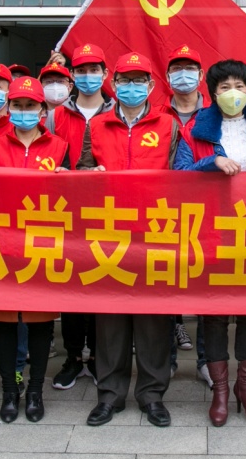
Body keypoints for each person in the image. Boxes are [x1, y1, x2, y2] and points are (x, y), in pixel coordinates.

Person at [78, 52, 182, 427]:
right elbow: (82, 169)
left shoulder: (169, 124)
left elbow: (181, 176)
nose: (132, 86)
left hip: (155, 232)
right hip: (110, 233)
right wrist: (89, 174)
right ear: (114, 83)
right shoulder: (98, 125)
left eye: (139, 80)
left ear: (151, 86)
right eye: (125, 80)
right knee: (110, 320)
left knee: (153, 320)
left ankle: (152, 395)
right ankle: (110, 395)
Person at [174, 59, 246, 426]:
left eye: (240, 86)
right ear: (213, 93)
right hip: (211, 232)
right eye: (225, 87)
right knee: (214, 313)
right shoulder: (195, 129)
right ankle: (219, 391)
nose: (233, 93)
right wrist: (211, 163)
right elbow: (178, 175)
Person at [0, 76, 69, 423]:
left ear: (42, 110)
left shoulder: (59, 146)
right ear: (9, 108)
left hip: (43, 242)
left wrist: (68, 177)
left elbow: (74, 196)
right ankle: (9, 390)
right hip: (3, 244)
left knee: (39, 321)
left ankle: (35, 391)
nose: (23, 111)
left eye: (30, 106)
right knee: (6, 322)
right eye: (17, 106)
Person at [47, 44, 113, 391]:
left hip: (108, 212)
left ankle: (100, 357)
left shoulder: (117, 111)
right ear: (72, 76)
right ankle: (73, 357)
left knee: (102, 282)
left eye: (94, 70)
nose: (88, 76)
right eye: (82, 70)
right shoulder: (56, 115)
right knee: (71, 287)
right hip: (66, 212)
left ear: (105, 74)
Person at [163, 45, 207, 366]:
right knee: (168, 279)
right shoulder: (157, 114)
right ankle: (169, 348)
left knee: (205, 281)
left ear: (201, 76)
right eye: (177, 69)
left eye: (189, 69)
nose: (183, 75)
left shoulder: (215, 114)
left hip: (206, 211)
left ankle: (207, 360)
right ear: (167, 77)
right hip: (164, 209)